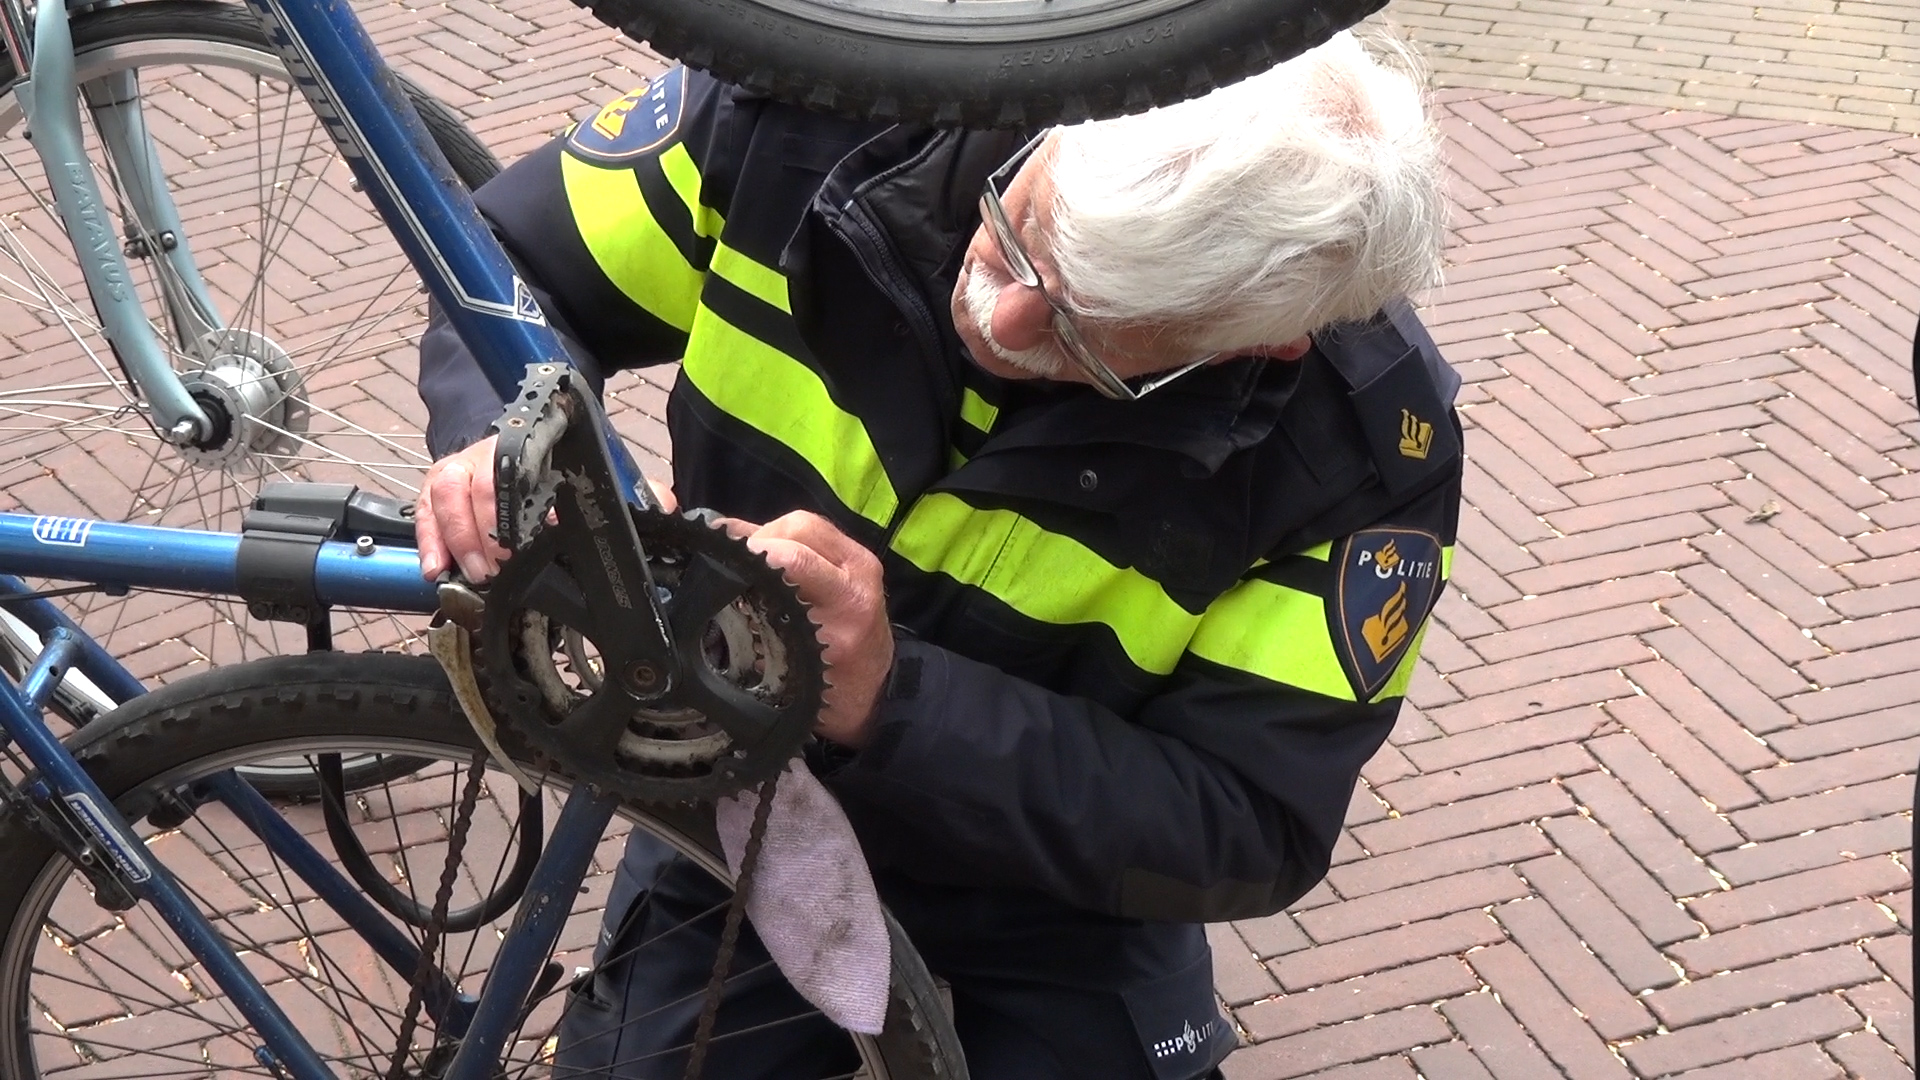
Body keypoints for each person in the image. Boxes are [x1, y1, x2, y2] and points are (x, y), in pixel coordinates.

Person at [414, 29, 1459, 1080]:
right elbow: (511, 256)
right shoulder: (801, 102)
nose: (997, 320)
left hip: (1055, 907)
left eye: (1083, 336)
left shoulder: (1358, 454)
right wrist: (507, 429)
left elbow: (1247, 821)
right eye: (1014, 235)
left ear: (1260, 338)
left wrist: (893, 698)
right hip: (738, 794)